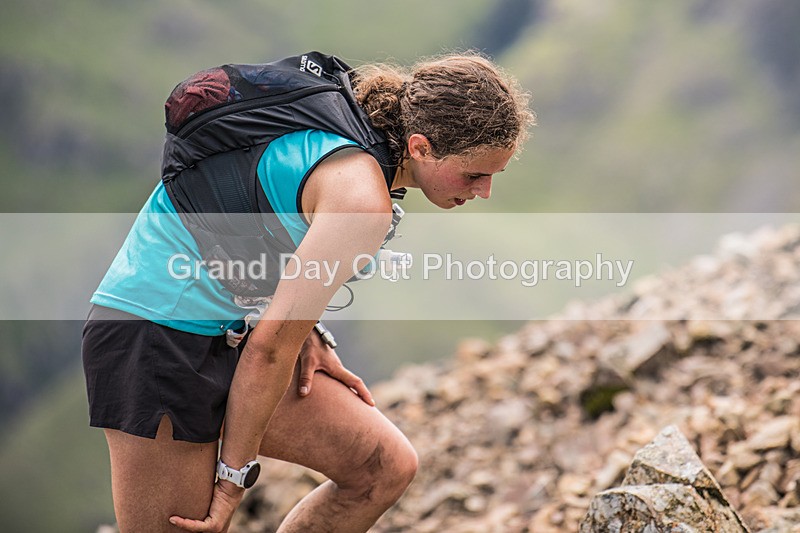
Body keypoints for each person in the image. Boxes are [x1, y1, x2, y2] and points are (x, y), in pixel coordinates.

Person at [82, 51, 534, 532]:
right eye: (474, 174)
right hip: (155, 337)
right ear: (420, 147)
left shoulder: (357, 135)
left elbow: (275, 218)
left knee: (381, 469)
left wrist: (309, 332)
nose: (483, 191)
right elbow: (272, 348)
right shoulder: (362, 199)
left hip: (228, 334)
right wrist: (233, 481)